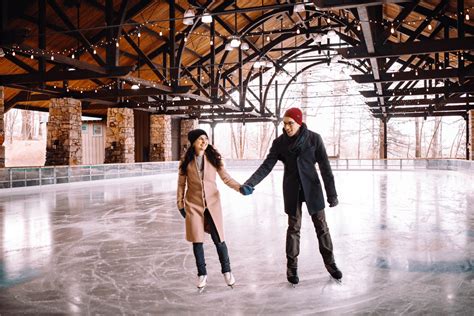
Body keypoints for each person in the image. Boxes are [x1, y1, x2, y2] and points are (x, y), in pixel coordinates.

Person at [241, 107, 342, 284]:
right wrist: (250, 183)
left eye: (290, 123)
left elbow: (326, 168)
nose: (287, 127)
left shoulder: (314, 139)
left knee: (322, 227)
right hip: (292, 189)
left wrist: (332, 194)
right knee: (294, 228)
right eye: (284, 124)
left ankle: (330, 262)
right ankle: (292, 266)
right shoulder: (280, 143)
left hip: (312, 189)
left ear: (299, 122)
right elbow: (266, 166)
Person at [177, 128, 251, 289]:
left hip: (212, 205)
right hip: (193, 205)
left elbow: (226, 178)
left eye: (206, 139)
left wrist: (240, 188)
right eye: (200, 139)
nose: (204, 142)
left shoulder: (213, 158)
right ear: (193, 142)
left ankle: (227, 271)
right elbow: (181, 184)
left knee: (219, 239)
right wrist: (180, 204)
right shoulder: (186, 161)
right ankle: (202, 274)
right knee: (197, 241)